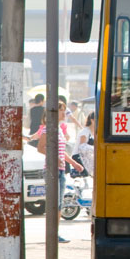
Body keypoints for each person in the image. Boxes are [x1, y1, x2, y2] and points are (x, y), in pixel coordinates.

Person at [35, 101, 83, 243]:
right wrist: (54, 158)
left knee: (59, 204)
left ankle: (55, 233)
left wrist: (74, 163)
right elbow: (41, 147)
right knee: (54, 203)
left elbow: (62, 153)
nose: (64, 113)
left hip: (61, 170)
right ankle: (52, 234)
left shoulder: (59, 129)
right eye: (62, 110)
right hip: (51, 170)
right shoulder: (48, 129)